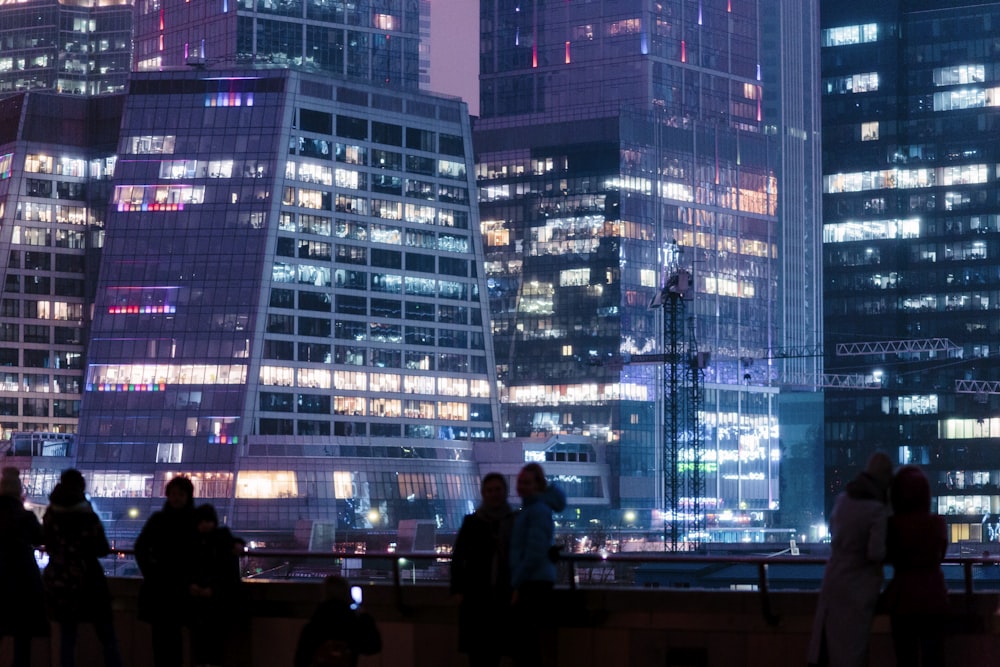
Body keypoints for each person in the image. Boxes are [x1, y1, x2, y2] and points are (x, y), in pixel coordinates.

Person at [807, 452, 893, 667]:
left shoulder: (843, 499)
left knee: (829, 644)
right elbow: (876, 552)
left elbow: (832, 528)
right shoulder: (878, 509)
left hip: (834, 578)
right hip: (859, 587)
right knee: (853, 649)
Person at [42, 469, 123, 667]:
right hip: (90, 580)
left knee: (67, 637)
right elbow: (102, 548)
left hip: (62, 581)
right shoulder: (87, 515)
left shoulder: (51, 514)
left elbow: (47, 543)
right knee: (107, 635)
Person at [884, 465, 947, 667]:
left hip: (903, 599)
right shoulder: (937, 523)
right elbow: (941, 555)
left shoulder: (892, 526)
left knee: (906, 658)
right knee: (934, 658)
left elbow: (886, 556)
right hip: (934, 598)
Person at [451, 472, 515, 667]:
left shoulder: (514, 521)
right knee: (479, 655)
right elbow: (458, 557)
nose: (494, 494)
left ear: (505, 491)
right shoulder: (472, 522)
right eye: (490, 490)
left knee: (497, 653)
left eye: (497, 490)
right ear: (483, 493)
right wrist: (457, 589)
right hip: (477, 596)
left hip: (503, 595)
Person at [135, 475, 197, 667]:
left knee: (164, 641)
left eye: (180, 494)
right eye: (173, 494)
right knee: (170, 642)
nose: (176, 498)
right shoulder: (192, 521)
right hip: (174, 590)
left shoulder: (159, 520)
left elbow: (141, 548)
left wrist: (151, 572)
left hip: (164, 590)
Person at [509, 463, 566, 667]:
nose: (521, 486)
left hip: (532, 583)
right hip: (535, 580)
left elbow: (534, 551)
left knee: (526, 644)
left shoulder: (537, 510)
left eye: (526, 482)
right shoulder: (534, 508)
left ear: (537, 485)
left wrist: (516, 583)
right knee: (528, 643)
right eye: (520, 482)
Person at [0, 467, 47, 667]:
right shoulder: (25, 517)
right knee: (22, 634)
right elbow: (40, 538)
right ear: (19, 492)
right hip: (22, 580)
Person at [189, 503, 244, 667]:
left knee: (208, 646)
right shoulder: (217, 538)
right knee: (210, 646)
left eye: (207, 521)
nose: (204, 525)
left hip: (212, 602)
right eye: (201, 521)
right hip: (212, 603)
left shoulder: (217, 539)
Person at [293, 575, 382, 667]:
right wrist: (364, 616)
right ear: (348, 594)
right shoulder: (353, 625)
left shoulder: (314, 626)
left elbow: (300, 660)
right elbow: (373, 647)